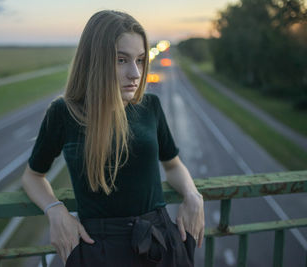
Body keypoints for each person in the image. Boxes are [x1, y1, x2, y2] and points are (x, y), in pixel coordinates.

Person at [21, 10, 204, 267]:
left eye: (140, 60)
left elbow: (172, 165)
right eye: (121, 60)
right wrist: (55, 209)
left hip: (159, 244)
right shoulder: (64, 113)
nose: (135, 73)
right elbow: (32, 176)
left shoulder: (150, 106)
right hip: (100, 251)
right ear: (95, 61)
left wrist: (193, 195)